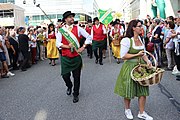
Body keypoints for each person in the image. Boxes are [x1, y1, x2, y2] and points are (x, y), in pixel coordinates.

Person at [114, 20, 153, 120]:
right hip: (130, 67)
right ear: (133, 28)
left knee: (143, 89)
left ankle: (142, 112)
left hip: (141, 67)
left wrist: (148, 61)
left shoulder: (141, 38)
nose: (141, 28)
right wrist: (136, 55)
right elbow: (123, 56)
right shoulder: (127, 40)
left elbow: (143, 53)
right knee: (128, 89)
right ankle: (127, 109)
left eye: (141, 26)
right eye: (139, 26)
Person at [56, 11, 92, 103]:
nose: (72, 19)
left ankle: (75, 93)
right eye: (70, 17)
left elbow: (89, 37)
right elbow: (57, 43)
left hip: (76, 56)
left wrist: (83, 47)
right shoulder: (61, 30)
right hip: (65, 57)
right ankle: (69, 85)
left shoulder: (78, 28)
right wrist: (67, 46)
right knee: (65, 75)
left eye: (72, 17)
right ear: (65, 19)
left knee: (77, 77)